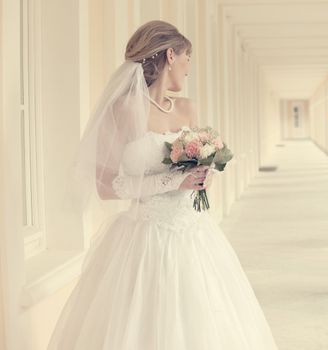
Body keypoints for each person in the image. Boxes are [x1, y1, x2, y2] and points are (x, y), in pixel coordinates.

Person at [47, 20, 277, 349]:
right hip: (144, 237)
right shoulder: (124, 110)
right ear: (171, 55)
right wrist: (173, 180)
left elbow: (195, 166)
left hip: (195, 235)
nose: (188, 70)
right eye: (187, 59)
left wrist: (202, 177)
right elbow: (105, 186)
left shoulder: (187, 108)